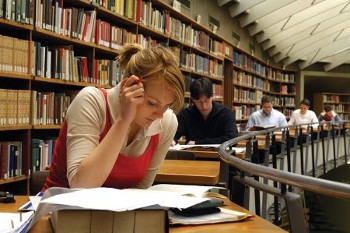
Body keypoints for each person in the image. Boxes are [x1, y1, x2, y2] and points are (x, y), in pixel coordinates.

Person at [42, 44, 185, 191]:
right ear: (127, 88)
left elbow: (141, 188)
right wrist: (124, 120)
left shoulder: (166, 122)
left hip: (115, 212)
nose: (160, 115)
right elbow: (82, 184)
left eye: (167, 106)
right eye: (152, 103)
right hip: (62, 209)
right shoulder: (91, 101)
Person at [173, 77, 238, 145]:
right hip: (194, 155)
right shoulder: (185, 114)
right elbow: (173, 135)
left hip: (219, 155)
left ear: (212, 96)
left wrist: (198, 143)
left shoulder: (226, 113)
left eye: (206, 101)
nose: (204, 106)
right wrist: (172, 140)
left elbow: (233, 139)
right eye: (199, 102)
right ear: (193, 100)